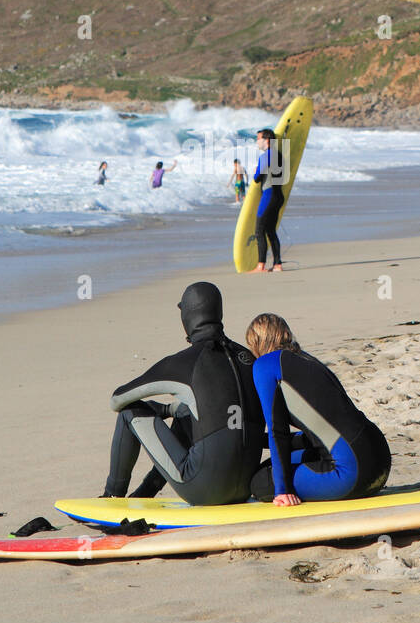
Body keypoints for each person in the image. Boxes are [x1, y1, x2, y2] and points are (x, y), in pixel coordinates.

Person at [102, 282, 265, 504]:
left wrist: (157, 408)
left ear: (187, 317)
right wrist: (169, 409)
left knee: (129, 413)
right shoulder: (248, 358)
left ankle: (112, 497)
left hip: (203, 490)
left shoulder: (183, 363)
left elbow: (117, 399)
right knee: (189, 413)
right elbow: (221, 409)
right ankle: (145, 492)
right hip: (247, 485)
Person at [246, 312, 391, 505]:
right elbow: (323, 429)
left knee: (261, 481)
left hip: (352, 473)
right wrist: (260, 441)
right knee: (274, 465)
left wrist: (282, 490)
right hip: (380, 463)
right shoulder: (308, 360)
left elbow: (277, 430)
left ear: (256, 343)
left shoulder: (264, 365)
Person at [251, 127, 285, 272]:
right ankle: (277, 264)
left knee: (259, 230)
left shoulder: (266, 156)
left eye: (259, 138)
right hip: (278, 196)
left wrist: (255, 171)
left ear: (267, 140)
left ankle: (261, 265)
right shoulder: (279, 155)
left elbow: (257, 178)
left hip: (268, 196)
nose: (257, 142)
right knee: (270, 230)